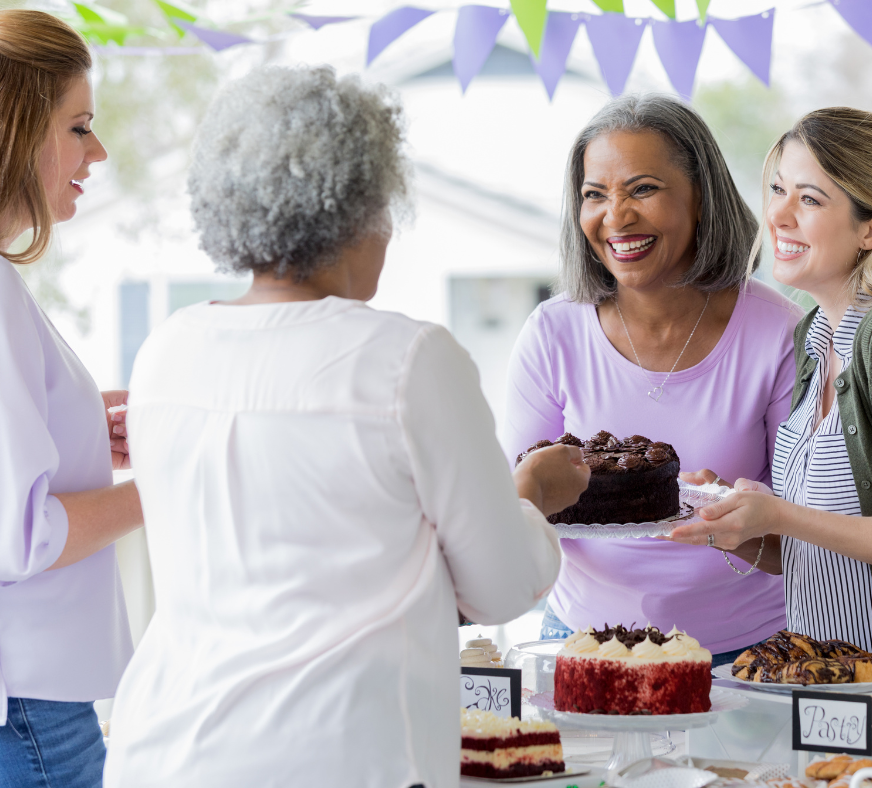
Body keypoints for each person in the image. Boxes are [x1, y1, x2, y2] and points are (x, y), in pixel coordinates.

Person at [103, 65, 588, 788]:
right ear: (360, 208)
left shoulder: (167, 349)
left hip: (163, 751)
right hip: (339, 757)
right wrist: (533, 494)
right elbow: (500, 587)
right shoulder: (406, 358)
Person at [502, 94, 803, 664]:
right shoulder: (552, 332)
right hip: (582, 645)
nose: (615, 216)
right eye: (595, 194)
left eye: (642, 188)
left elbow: (812, 542)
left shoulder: (776, 332)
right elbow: (509, 517)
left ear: (701, 199)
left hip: (743, 655)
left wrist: (731, 525)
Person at [669, 107, 872, 654]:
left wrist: (782, 514)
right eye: (777, 189)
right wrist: (742, 523)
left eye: (810, 199)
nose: (779, 215)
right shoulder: (814, 335)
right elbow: (813, 549)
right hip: (823, 685)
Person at [0, 10, 142, 788]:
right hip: (29, 707)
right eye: (79, 127)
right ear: (17, 129)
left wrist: (87, 423)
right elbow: (23, 536)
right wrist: (167, 486)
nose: (99, 151)